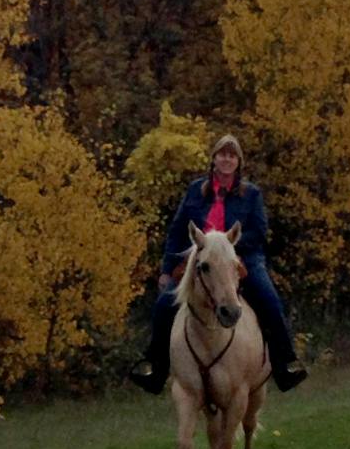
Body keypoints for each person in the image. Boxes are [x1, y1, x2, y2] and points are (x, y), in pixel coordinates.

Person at [126, 134, 309, 395]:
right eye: (222, 154)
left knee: (269, 299)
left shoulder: (251, 194)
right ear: (213, 159)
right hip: (200, 259)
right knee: (165, 304)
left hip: (241, 256)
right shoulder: (195, 190)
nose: (227, 159)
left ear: (238, 162)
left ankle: (285, 364)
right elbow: (177, 231)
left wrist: (225, 244)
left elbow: (259, 231)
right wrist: (167, 270)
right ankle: (155, 368)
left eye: (232, 155)